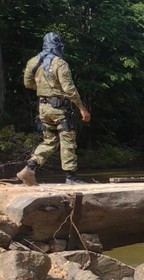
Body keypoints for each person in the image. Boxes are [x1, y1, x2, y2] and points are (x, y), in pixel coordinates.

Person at [16, 32, 92, 186]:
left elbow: (27, 83)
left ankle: (29, 168)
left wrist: (44, 89)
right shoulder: (60, 63)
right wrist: (82, 108)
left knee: (49, 140)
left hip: (43, 108)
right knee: (67, 140)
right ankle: (71, 178)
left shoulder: (33, 62)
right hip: (59, 108)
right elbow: (69, 89)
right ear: (58, 46)